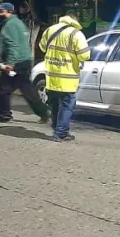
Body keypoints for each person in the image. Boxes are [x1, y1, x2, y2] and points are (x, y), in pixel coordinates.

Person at [0, 2, 50, 123]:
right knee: (27, 89)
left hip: (16, 62)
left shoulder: (10, 25)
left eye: (1, 11)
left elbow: (13, 45)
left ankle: (4, 116)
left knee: (2, 90)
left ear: (8, 11)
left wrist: (10, 63)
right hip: (25, 60)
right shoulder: (18, 23)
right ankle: (43, 112)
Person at [38, 12, 90, 142]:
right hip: (68, 77)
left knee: (55, 104)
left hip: (51, 77)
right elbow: (85, 55)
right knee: (66, 106)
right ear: (75, 20)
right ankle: (61, 133)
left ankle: (56, 128)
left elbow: (42, 47)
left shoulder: (50, 30)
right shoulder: (76, 34)